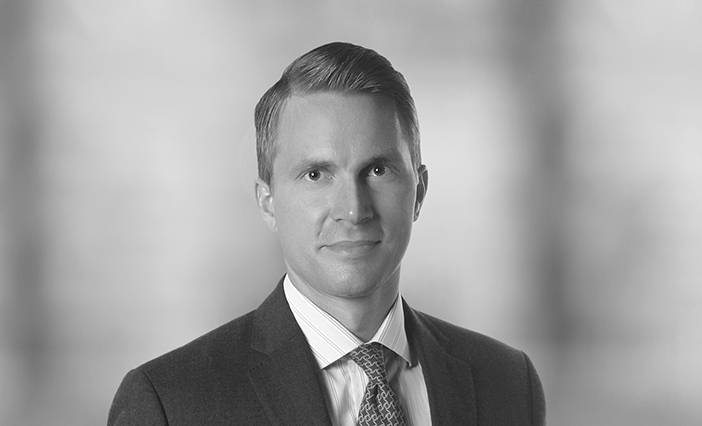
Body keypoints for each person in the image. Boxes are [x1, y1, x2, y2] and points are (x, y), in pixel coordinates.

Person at [108, 41, 545, 426]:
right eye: (316, 174)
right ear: (268, 202)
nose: (353, 210)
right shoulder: (172, 404)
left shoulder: (507, 383)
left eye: (378, 170)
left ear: (419, 192)